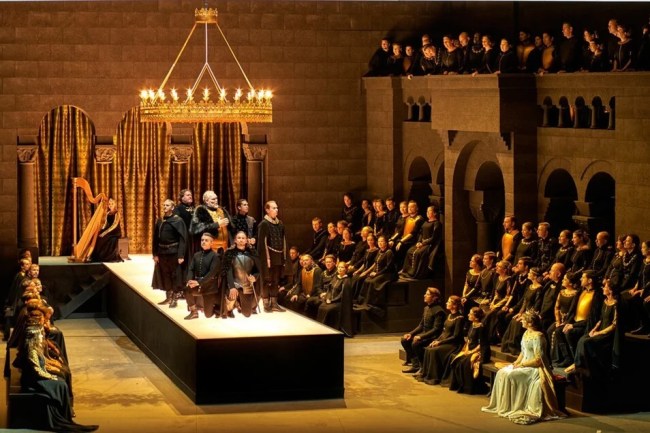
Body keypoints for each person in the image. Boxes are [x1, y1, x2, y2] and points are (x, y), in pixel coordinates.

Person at [13, 317, 98, 433]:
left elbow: (42, 364)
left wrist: (52, 371)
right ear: (35, 337)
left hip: (38, 377)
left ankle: (65, 416)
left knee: (61, 381)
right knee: (60, 384)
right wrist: (51, 377)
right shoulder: (31, 351)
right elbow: (37, 370)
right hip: (34, 381)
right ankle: (61, 416)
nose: (42, 336)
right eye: (40, 335)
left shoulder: (36, 348)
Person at [481, 311, 565, 425]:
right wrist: (516, 362)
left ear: (530, 323)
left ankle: (515, 405)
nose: (521, 321)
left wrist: (522, 365)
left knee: (510, 375)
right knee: (502, 372)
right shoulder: (526, 333)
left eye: (524, 320)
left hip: (533, 369)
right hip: (523, 364)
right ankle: (506, 405)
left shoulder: (538, 337)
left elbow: (538, 360)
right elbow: (523, 351)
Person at [566, 279, 617, 378]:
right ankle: (578, 365)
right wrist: (594, 330)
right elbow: (600, 319)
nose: (603, 288)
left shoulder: (615, 304)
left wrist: (599, 333)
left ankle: (582, 367)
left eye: (605, 287)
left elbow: (614, 325)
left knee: (586, 342)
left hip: (607, 334)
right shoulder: (605, 301)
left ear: (610, 290)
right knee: (582, 339)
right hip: (600, 330)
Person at [416, 295, 465, 385]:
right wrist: (436, 340)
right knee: (428, 348)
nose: (446, 303)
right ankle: (426, 374)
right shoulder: (449, 315)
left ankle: (434, 377)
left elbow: (455, 336)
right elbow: (444, 332)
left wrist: (440, 342)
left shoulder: (459, 318)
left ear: (454, 305)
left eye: (449, 302)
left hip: (454, 344)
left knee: (434, 351)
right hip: (445, 340)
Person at [151, 199, 187, 308]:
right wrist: (155, 254)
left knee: (175, 275)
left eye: (167, 205)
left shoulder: (178, 221)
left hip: (174, 252)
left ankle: (175, 298)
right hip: (162, 252)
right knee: (165, 274)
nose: (165, 207)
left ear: (172, 207)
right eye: (164, 205)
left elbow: (183, 239)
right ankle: (168, 296)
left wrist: (181, 255)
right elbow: (155, 238)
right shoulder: (160, 220)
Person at [446, 306, 490, 394]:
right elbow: (469, 340)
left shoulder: (481, 327)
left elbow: (481, 344)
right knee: (456, 360)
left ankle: (469, 387)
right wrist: (466, 350)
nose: (468, 315)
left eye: (470, 314)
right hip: (470, 349)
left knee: (464, 363)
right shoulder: (472, 325)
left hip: (480, 351)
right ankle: (459, 385)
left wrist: (471, 352)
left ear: (476, 317)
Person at [500, 266, 543, 355]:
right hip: (525, 312)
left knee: (518, 323)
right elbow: (524, 301)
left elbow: (536, 306)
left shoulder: (539, 288)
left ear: (535, 276)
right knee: (514, 319)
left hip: (532, 314)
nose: (528, 274)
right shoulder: (530, 286)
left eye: (530, 273)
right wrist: (520, 313)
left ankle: (515, 347)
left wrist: (525, 316)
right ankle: (509, 345)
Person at [401, 287, 446, 373]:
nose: (424, 295)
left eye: (427, 294)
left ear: (434, 297)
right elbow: (421, 325)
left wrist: (421, 337)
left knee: (416, 343)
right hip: (425, 334)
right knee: (404, 340)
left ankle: (423, 366)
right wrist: (411, 334)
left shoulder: (439, 311)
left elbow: (436, 329)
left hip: (433, 337)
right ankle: (415, 364)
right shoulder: (426, 308)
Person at [221, 231, 261, 318]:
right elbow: (228, 271)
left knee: (247, 314)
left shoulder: (253, 253)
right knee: (231, 297)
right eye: (239, 238)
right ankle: (230, 307)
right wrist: (232, 287)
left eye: (243, 238)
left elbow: (258, 270)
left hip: (247, 285)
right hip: (234, 284)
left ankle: (238, 303)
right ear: (235, 240)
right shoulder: (229, 253)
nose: (241, 240)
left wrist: (255, 277)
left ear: (246, 240)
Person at [256, 200, 287, 313]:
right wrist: (266, 259)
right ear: (267, 210)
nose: (276, 210)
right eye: (274, 208)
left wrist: (284, 257)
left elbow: (283, 241)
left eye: (277, 208)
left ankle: (274, 303)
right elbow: (261, 243)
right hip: (268, 257)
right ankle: (266, 303)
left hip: (278, 256)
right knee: (266, 280)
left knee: (275, 280)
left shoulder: (280, 224)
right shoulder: (264, 224)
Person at [355, 235, 397, 315]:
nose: (380, 243)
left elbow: (388, 267)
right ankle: (363, 301)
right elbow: (375, 263)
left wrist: (377, 274)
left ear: (386, 243)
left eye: (382, 241)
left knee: (373, 282)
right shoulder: (379, 251)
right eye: (379, 241)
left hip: (388, 274)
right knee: (367, 280)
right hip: (379, 272)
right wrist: (370, 272)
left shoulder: (389, 252)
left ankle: (372, 304)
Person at [184, 233, 220, 320]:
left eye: (206, 240)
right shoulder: (196, 255)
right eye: (202, 240)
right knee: (187, 289)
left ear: (211, 243)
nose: (203, 242)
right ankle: (194, 312)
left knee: (208, 315)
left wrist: (198, 282)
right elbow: (191, 269)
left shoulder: (215, 256)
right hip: (198, 284)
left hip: (209, 287)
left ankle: (216, 306)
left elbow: (212, 273)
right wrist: (189, 280)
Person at [399, 205, 442, 279]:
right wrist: (419, 241)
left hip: (429, 244)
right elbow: (421, 233)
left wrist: (423, 243)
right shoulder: (425, 222)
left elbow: (434, 237)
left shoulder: (437, 223)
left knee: (418, 253)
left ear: (434, 213)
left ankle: (414, 273)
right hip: (421, 243)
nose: (427, 213)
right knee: (409, 251)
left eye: (429, 211)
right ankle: (406, 270)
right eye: (427, 211)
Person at [317, 261, 354, 337]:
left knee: (328, 309)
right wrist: (327, 298)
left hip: (340, 302)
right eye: (339, 267)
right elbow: (329, 290)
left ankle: (329, 329)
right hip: (331, 300)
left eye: (342, 267)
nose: (340, 269)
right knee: (321, 306)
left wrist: (332, 300)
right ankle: (321, 329)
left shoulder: (346, 280)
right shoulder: (335, 277)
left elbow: (342, 295)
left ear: (345, 269)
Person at [91, 198, 122, 262]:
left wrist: (104, 233)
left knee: (104, 237)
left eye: (112, 204)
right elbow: (105, 224)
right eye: (109, 204)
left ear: (115, 204)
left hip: (115, 231)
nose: (110, 205)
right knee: (98, 236)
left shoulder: (117, 213)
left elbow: (114, 225)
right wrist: (101, 230)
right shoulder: (108, 213)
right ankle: (98, 256)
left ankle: (104, 256)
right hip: (108, 230)